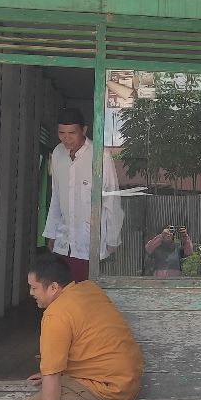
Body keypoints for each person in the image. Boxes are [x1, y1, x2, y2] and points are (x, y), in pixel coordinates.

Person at [18, 253, 153, 400]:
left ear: (53, 287)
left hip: (107, 386)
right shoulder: (89, 289)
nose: (31, 293)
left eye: (34, 288)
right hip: (129, 379)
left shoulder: (56, 315)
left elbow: (52, 377)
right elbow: (91, 344)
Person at [43, 107, 123, 282]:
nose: (66, 138)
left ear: (84, 130)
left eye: (72, 133)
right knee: (62, 290)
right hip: (64, 240)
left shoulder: (100, 156)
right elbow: (56, 196)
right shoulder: (57, 153)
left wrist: (112, 239)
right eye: (61, 133)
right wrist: (52, 233)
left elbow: (112, 200)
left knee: (83, 291)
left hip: (89, 242)